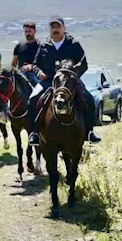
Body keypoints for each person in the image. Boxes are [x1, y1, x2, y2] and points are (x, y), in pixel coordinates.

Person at [26, 16, 101, 146]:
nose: (55, 29)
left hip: (70, 82)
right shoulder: (44, 46)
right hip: (49, 81)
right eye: (53, 27)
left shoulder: (74, 45)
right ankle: (35, 133)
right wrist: (39, 72)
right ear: (50, 30)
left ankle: (89, 131)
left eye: (58, 27)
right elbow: (35, 64)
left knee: (89, 98)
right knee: (33, 99)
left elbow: (84, 64)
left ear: (63, 28)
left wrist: (74, 76)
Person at [12, 22, 40, 86]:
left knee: (39, 87)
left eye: (29, 31)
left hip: (35, 73)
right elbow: (14, 63)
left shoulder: (40, 46)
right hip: (21, 74)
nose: (27, 33)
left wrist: (31, 67)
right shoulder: (19, 46)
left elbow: (43, 63)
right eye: (26, 31)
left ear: (35, 31)